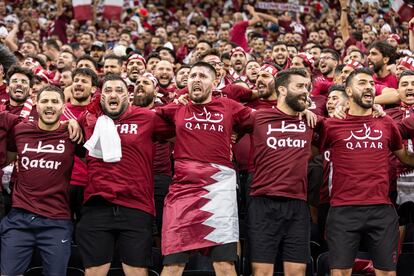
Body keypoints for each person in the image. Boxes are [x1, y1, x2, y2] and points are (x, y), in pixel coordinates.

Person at [157, 62, 253, 276]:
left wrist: (303, 112)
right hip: (182, 193)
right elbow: (144, 116)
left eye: (203, 76)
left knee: (225, 265)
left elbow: (261, 120)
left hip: (219, 191)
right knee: (172, 265)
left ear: (214, 82)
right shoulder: (177, 108)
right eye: (192, 76)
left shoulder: (229, 106)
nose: (196, 79)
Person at [76, 74, 173, 276]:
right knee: (94, 272)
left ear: (128, 97)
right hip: (97, 204)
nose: (114, 94)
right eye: (108, 90)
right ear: (100, 97)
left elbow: (181, 127)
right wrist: (69, 124)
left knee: (137, 271)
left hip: (136, 205)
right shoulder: (87, 119)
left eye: (119, 91)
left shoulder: (147, 117)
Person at [320, 68, 414, 276]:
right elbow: (308, 152)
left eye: (371, 83)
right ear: (349, 91)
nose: (369, 87)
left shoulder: (386, 122)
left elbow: (405, 157)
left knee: (388, 273)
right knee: (340, 273)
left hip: (381, 209)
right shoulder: (332, 124)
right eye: (362, 83)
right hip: (343, 210)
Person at [243, 68, 318, 276]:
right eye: (300, 86)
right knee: (262, 272)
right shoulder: (258, 117)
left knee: (296, 272)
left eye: (308, 87)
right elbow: (229, 125)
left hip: (297, 204)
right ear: (282, 90)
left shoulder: (310, 121)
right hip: (262, 202)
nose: (306, 92)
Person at [1, 85, 83, 275]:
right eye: (45, 101)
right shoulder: (20, 130)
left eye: (55, 102)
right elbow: (10, 157)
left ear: (63, 107)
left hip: (56, 220)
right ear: (36, 105)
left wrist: (74, 123)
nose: (50, 105)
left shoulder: (72, 134)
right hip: (19, 219)